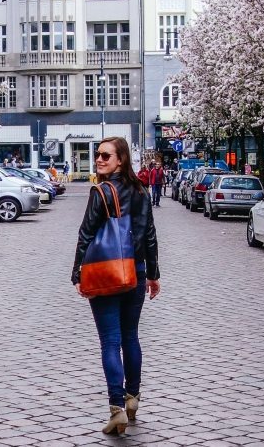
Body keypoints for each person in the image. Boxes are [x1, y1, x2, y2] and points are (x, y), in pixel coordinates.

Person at [72, 136, 161, 435]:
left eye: (105, 156)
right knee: (130, 337)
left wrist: (77, 274)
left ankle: (117, 409)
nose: (98, 159)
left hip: (108, 273)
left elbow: (86, 234)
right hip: (134, 272)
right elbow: (149, 233)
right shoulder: (141, 190)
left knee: (110, 341)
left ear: (120, 159)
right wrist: (153, 273)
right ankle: (133, 398)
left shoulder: (101, 191)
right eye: (97, 155)